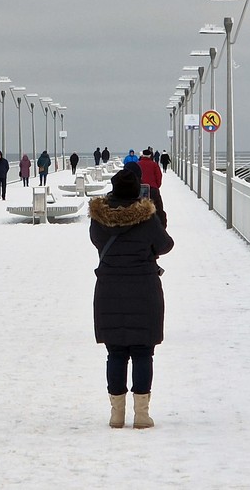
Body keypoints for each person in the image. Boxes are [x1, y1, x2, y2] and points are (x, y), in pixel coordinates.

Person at [89, 166, 174, 430]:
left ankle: (116, 414)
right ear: (138, 190)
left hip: (109, 290)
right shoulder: (147, 219)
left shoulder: (99, 220)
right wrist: (157, 216)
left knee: (115, 352)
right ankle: (141, 414)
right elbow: (165, 245)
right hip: (143, 290)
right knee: (142, 352)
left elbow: (96, 241)